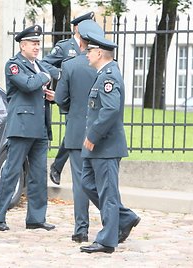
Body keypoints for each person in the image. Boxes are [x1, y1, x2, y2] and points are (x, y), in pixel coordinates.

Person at [79, 33, 141, 253]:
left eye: (89, 51)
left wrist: (93, 135)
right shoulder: (103, 73)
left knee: (108, 192)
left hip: (104, 145)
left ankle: (107, 240)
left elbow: (111, 109)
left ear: (98, 53)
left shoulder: (109, 76)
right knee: (87, 183)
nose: (86, 54)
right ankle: (125, 218)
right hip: (98, 147)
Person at [0, 25, 56, 232]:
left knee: (38, 175)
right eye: (33, 44)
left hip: (39, 127)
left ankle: (36, 218)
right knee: (11, 172)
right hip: (21, 127)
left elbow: (41, 87)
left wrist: (49, 95)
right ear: (22, 45)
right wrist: (45, 78)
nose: (37, 47)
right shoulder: (14, 65)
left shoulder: (39, 66)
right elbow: (28, 85)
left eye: (38, 44)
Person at [54, 19, 104, 243]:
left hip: (75, 132)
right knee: (104, 182)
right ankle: (114, 224)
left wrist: (73, 110)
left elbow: (60, 99)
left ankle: (81, 229)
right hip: (101, 131)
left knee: (80, 183)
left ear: (80, 41)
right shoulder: (108, 65)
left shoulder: (70, 65)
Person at [42, 11, 95, 185]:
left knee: (76, 133)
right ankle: (57, 167)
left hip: (87, 96)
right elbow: (44, 63)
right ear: (77, 28)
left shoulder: (94, 46)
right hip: (68, 96)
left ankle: (58, 166)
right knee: (73, 132)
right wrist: (60, 74)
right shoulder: (65, 47)